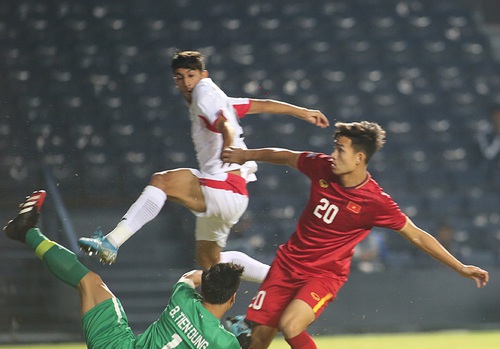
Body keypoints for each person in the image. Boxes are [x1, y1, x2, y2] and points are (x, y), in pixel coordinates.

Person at [189, 121, 489, 349]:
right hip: (286, 267)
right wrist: (244, 154)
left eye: (340, 149)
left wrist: (460, 267)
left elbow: (417, 235)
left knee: (291, 326)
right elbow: (285, 155)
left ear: (359, 157)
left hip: (324, 276)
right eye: (335, 147)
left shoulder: (375, 201)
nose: (333, 154)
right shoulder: (322, 167)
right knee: (257, 341)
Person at [78, 50, 329, 283]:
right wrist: (303, 112)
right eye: (179, 77)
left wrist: (231, 147)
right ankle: (285, 279)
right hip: (233, 194)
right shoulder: (219, 98)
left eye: (191, 75)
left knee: (161, 181)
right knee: (212, 264)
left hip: (223, 186)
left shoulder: (203, 93)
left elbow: (224, 125)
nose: (187, 83)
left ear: (203, 75)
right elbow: (261, 105)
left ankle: (111, 241)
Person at [1, 190, 253, 349]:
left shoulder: (182, 298)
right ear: (232, 299)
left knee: (89, 282)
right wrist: (243, 345)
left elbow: (189, 277)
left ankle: (26, 232)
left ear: (207, 285)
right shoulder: (226, 344)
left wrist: (209, 274)